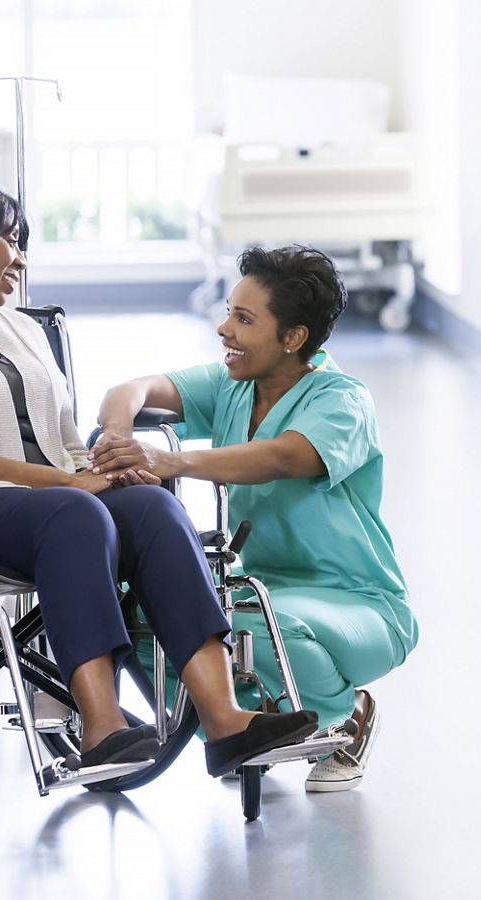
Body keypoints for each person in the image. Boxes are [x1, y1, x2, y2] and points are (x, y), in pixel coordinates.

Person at [0, 175, 317, 779]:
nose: (20, 258)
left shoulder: (19, 327)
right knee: (77, 513)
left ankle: (224, 720)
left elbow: (64, 436)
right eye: (10, 241)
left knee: (154, 507)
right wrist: (69, 485)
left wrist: (104, 470)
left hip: (53, 502)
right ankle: (101, 726)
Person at [92, 245, 418, 792]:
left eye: (244, 319)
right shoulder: (233, 383)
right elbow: (131, 390)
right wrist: (119, 437)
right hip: (262, 589)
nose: (224, 329)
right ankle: (246, 730)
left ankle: (347, 715)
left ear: (293, 338)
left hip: (357, 601)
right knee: (140, 617)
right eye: (228, 312)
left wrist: (171, 461)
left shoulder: (342, 400)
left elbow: (285, 457)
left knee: (247, 622)